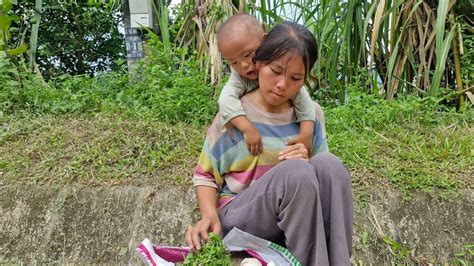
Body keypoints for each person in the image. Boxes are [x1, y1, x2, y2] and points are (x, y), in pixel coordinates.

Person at [186, 21, 353, 265]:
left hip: (290, 225)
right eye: (275, 71)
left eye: (296, 78)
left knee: (330, 165)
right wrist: (209, 214)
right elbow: (205, 175)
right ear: (260, 61)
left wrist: (305, 158)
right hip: (240, 222)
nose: (283, 84)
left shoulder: (311, 115)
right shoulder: (234, 117)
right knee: (295, 173)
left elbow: (320, 178)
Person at [217, 14, 318, 155]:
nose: (244, 66)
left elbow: (302, 97)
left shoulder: (280, 63)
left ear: (264, 41)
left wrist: (306, 133)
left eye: (247, 55)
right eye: (234, 62)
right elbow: (225, 100)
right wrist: (247, 129)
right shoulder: (239, 78)